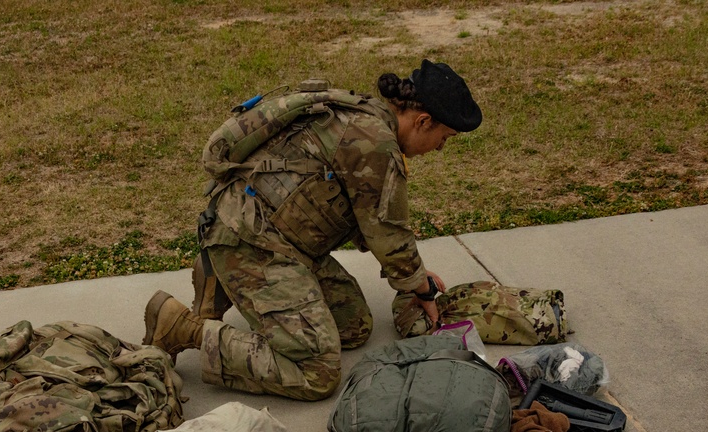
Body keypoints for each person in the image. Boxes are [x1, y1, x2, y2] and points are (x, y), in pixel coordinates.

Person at [142, 59, 482, 401]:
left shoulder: (365, 118)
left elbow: (367, 218)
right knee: (317, 372)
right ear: (423, 121)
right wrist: (420, 288)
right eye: (444, 137)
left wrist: (415, 276)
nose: (440, 147)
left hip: (279, 240)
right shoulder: (374, 141)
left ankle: (221, 278)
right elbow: (388, 233)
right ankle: (183, 327)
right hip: (252, 243)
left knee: (354, 326)